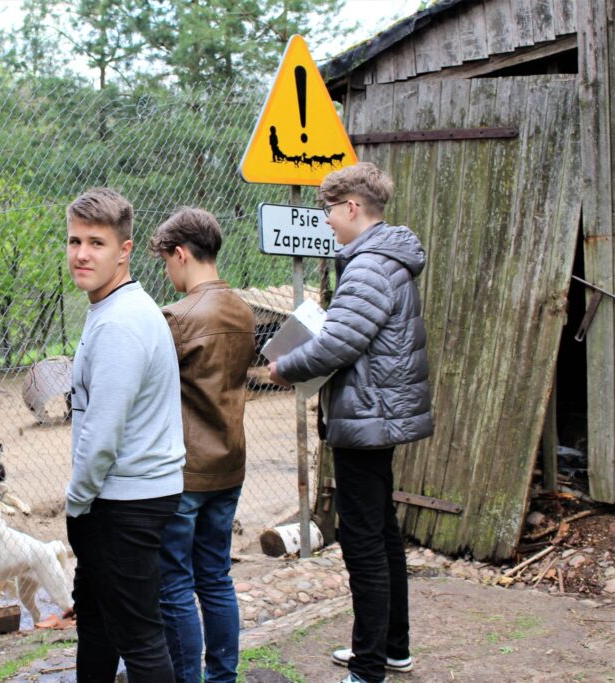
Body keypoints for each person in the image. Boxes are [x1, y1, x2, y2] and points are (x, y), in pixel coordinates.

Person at [268, 162, 433, 683]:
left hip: (367, 418)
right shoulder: (385, 259)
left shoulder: (368, 266)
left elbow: (338, 344)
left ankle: (367, 668)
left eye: (329, 210)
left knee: (364, 542)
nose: (327, 220)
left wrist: (284, 367)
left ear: (353, 208)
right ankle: (392, 647)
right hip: (376, 414)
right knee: (382, 531)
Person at [64, 187, 186, 682]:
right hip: (123, 496)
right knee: (97, 621)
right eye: (74, 241)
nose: (82, 254)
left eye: (97, 243)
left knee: (138, 638)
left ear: (125, 250)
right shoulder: (115, 309)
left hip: (122, 502)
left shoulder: (119, 323)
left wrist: (77, 502)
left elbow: (103, 433)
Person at [148, 207, 256, 683]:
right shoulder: (243, 310)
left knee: (174, 583)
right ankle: (223, 677)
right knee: (215, 576)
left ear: (180, 254)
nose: (167, 273)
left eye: (165, 262)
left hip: (186, 471)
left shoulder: (176, 318)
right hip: (230, 463)